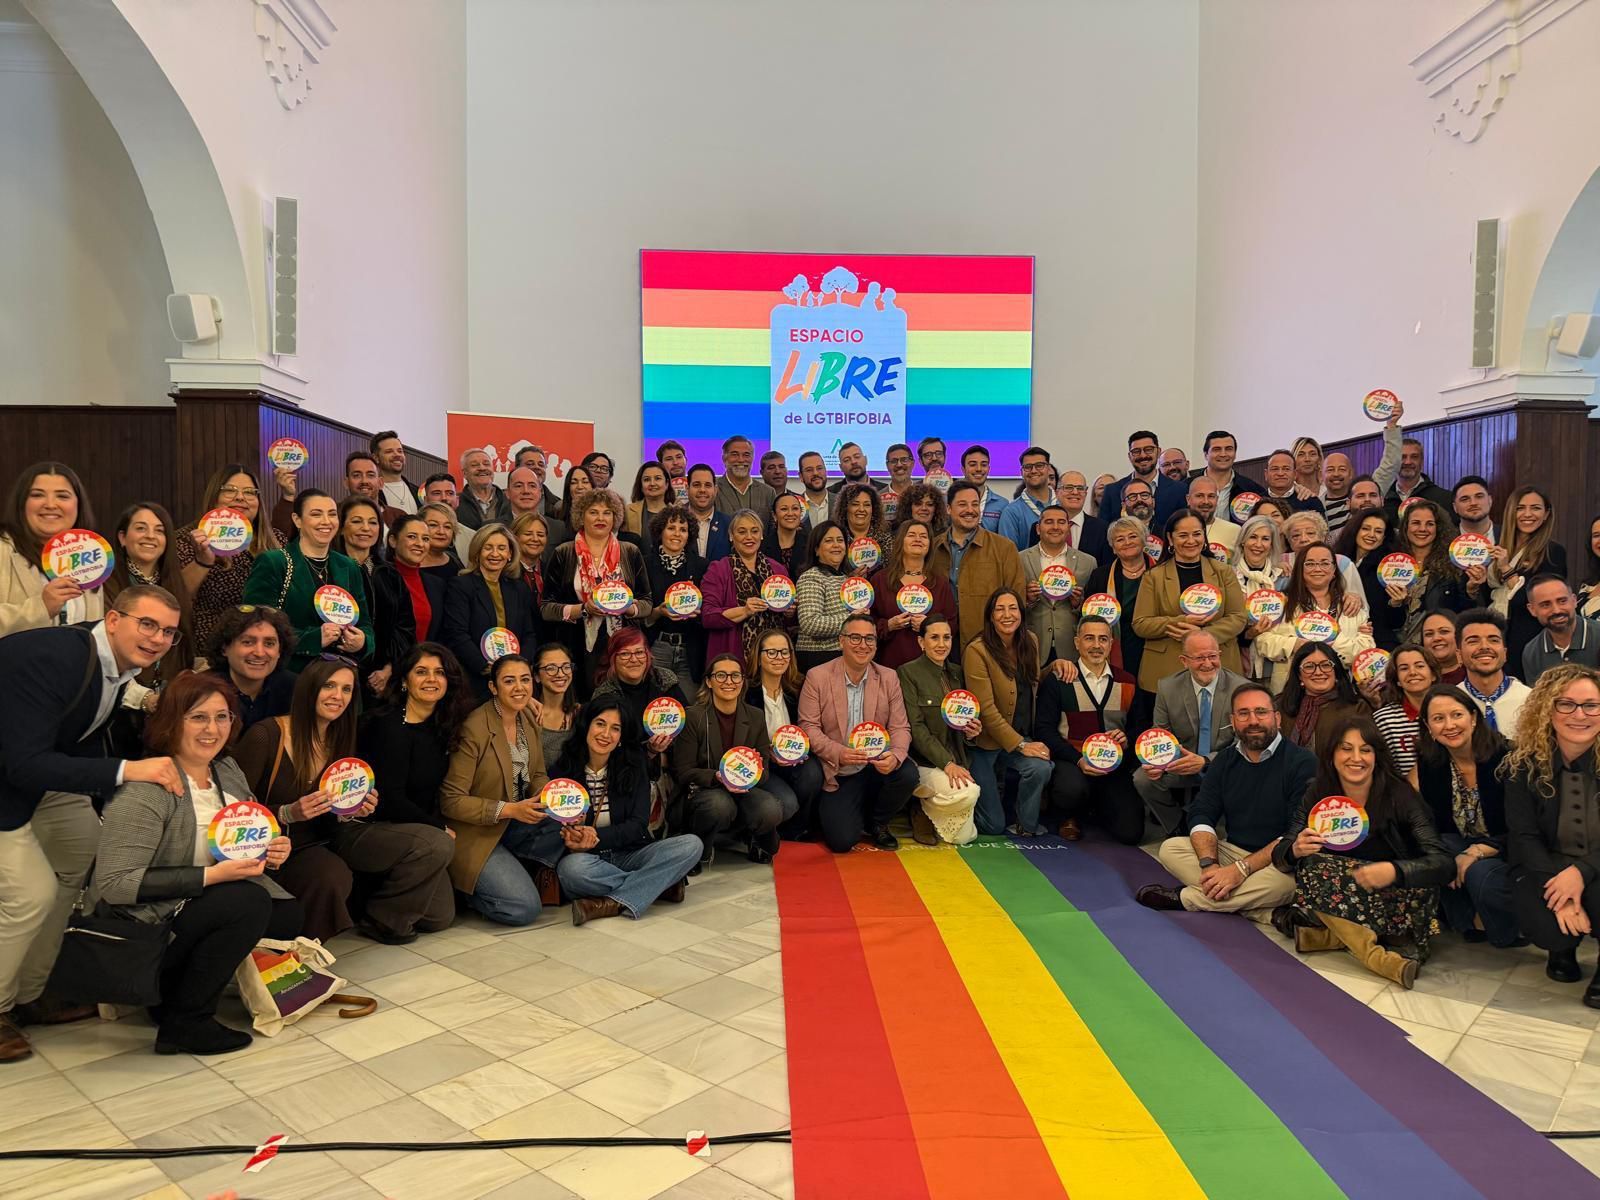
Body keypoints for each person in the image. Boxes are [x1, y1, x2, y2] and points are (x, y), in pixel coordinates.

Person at [0, 587, 185, 1062]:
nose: (158, 638)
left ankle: (32, 993)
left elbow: (74, 735)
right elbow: (22, 763)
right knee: (29, 893)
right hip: (12, 778)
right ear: (115, 617)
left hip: (38, 776)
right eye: (148, 624)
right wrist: (127, 771)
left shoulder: (115, 663)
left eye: (168, 630)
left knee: (85, 854)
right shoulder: (55, 657)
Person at [89, 672, 299, 1055]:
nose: (212, 729)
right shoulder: (146, 787)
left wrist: (271, 850)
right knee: (246, 904)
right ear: (172, 720)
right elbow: (115, 884)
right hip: (150, 923)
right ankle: (186, 1021)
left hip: (203, 904)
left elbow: (248, 831)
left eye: (222, 717)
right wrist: (213, 875)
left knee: (286, 911)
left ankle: (174, 996)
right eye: (198, 717)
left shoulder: (227, 771)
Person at [233, 657, 455, 944]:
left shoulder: (341, 739)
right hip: (264, 844)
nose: (338, 696)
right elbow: (232, 811)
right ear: (309, 688)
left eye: (347, 690)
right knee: (332, 875)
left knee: (436, 916)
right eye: (329, 686)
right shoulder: (266, 735)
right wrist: (287, 813)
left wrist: (352, 810)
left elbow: (332, 814)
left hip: (312, 844)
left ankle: (312, 946)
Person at [1274, 715, 1452, 987]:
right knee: (1314, 865)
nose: (1355, 758)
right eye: (1346, 748)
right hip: (1340, 895)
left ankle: (1332, 936)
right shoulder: (1317, 793)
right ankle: (1375, 955)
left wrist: (1396, 870)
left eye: (1365, 749)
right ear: (1332, 753)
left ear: (1377, 756)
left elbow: (1443, 863)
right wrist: (1295, 849)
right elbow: (1281, 856)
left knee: (1318, 874)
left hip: (1399, 898)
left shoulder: (1399, 794)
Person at [1138, 682, 1315, 921]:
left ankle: (1186, 899)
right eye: (1244, 713)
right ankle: (1268, 912)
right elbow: (1202, 812)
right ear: (1233, 721)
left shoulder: (1303, 762)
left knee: (1285, 885)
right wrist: (1210, 864)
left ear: (1277, 718)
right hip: (1232, 853)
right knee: (1170, 849)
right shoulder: (1225, 760)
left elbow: (1294, 834)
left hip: (1279, 860)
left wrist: (1241, 870)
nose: (1253, 720)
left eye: (1261, 712)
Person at [550, 697, 702, 923]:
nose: (606, 734)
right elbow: (553, 822)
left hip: (631, 852)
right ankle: (659, 886)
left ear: (621, 737)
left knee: (691, 845)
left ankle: (611, 902)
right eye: (600, 724)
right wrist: (574, 837)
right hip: (588, 859)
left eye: (615, 728)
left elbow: (638, 825)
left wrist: (596, 837)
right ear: (587, 726)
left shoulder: (633, 765)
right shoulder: (562, 770)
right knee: (570, 870)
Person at [1502, 664, 1600, 998]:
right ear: (1548, 709)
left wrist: (1582, 872)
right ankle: (1562, 949)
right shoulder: (1522, 765)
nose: (1579, 715)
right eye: (1566, 704)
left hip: (1598, 863)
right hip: (1546, 863)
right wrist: (1561, 894)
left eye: (1591, 705)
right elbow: (1523, 836)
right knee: (1546, 924)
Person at [440, 654, 559, 925]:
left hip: (515, 824)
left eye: (525, 680)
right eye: (509, 681)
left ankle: (518, 869)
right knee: (524, 908)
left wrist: (550, 798)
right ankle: (465, 890)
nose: (519, 687)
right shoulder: (474, 728)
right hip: (476, 831)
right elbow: (451, 800)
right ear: (493, 687)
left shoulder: (528, 718)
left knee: (568, 818)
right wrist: (509, 810)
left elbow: (538, 774)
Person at [798, 612, 919, 852]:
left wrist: (894, 756)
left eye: (869, 639)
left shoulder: (888, 677)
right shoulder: (818, 676)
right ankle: (849, 814)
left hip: (876, 766)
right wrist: (839, 752)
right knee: (841, 841)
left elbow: (900, 727)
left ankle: (878, 823)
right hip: (840, 769)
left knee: (907, 774)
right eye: (855, 638)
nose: (863, 645)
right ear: (841, 640)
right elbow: (807, 727)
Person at [1410, 685, 1521, 948]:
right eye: (1438, 719)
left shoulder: (1507, 757)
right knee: (1435, 852)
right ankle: (1467, 921)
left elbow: (1526, 828)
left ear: (1473, 717)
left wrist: (1479, 851)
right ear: (1428, 727)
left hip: (1508, 846)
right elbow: (1436, 823)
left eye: (1456, 715)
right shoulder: (1430, 761)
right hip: (1461, 841)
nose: (1449, 725)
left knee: (1479, 872)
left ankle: (1506, 931)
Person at [671, 653, 789, 868]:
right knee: (719, 805)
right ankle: (700, 850)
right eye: (721, 676)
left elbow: (764, 772)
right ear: (708, 681)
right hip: (707, 790)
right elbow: (683, 771)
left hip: (746, 790)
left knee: (770, 808)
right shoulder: (693, 716)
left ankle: (757, 841)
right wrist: (718, 776)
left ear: (743, 681)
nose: (729, 682)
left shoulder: (754, 716)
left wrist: (749, 775)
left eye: (735, 676)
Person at [1035, 616, 1141, 843]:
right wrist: (1077, 759)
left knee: (1131, 833)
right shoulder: (1060, 680)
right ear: (1076, 642)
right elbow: (1044, 730)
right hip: (1073, 762)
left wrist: (1127, 738)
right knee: (1071, 789)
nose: (1096, 645)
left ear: (1111, 644)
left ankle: (1098, 807)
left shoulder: (1127, 681)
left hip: (1114, 766)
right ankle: (1069, 814)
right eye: (1089, 638)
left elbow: (1139, 727)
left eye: (1103, 639)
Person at [242, 489, 372, 672]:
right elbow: (255, 624)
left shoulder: (349, 566)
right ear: (297, 520)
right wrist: (313, 638)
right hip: (292, 674)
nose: (326, 521)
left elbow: (365, 622)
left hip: (341, 674)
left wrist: (362, 641)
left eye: (332, 514)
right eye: (316, 514)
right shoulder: (274, 562)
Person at [1135, 630, 1246, 837]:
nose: (1207, 663)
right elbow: (1160, 734)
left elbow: (1244, 745)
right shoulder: (1167, 688)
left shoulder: (1241, 689)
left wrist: (1206, 761)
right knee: (1143, 778)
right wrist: (1157, 763)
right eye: (1199, 658)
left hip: (1225, 765)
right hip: (1181, 763)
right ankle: (1178, 825)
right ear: (1184, 661)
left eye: (1212, 656)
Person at [543, 490, 652, 696]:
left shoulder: (630, 551)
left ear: (616, 518)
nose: (601, 518)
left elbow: (647, 602)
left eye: (607, 513)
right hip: (576, 645)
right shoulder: (563, 553)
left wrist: (628, 608)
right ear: (581, 517)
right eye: (593, 512)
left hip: (623, 645)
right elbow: (546, 608)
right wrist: (583, 609)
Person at [962, 589, 1053, 836]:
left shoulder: (1030, 641)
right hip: (986, 744)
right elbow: (987, 710)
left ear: (1021, 614)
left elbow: (1032, 683)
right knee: (993, 826)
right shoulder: (977, 650)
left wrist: (1055, 666)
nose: (1007, 615)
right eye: (999, 609)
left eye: (1012, 608)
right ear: (990, 616)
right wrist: (1021, 746)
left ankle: (1026, 824)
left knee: (1041, 767)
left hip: (1021, 735)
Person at [1130, 508, 1248, 696]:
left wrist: (1202, 634)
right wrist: (1180, 622)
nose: (1191, 541)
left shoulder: (1223, 571)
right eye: (1183, 535)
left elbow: (1238, 618)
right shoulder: (1154, 576)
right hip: (1167, 668)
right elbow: (1141, 624)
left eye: (1197, 534)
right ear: (1170, 538)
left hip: (1219, 665)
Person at [360, 642, 472, 832]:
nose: (431, 679)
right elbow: (391, 800)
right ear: (405, 680)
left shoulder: (447, 721)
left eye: (440, 672)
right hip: (382, 824)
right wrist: (438, 828)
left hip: (428, 819)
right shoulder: (388, 726)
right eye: (421, 672)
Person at [896, 613, 981, 846]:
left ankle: (926, 805)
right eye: (934, 637)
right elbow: (916, 728)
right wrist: (947, 763)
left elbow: (962, 725)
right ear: (921, 642)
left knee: (965, 837)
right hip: (924, 762)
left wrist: (972, 733)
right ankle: (920, 802)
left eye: (946, 637)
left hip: (959, 760)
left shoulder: (957, 672)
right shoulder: (907, 673)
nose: (942, 644)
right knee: (971, 793)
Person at [179, 465, 280, 653]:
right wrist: (203, 561)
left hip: (266, 650)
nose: (240, 497)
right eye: (229, 491)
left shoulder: (276, 540)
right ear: (214, 497)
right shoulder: (190, 538)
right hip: (212, 651)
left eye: (250, 492)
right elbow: (176, 596)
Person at [0, 461, 104, 638]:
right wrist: (41, 607)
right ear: (22, 503)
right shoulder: (3, 550)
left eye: (62, 496)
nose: (50, 504)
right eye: (37, 495)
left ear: (78, 505)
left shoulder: (90, 556)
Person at [1253, 543, 1376, 693]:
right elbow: (1262, 641)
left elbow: (1366, 651)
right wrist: (1295, 644)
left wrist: (1331, 642)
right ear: (1300, 570)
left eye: (1325, 563)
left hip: (1340, 693)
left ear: (1334, 571)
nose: (1317, 569)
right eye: (1310, 563)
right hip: (1290, 689)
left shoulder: (1351, 606)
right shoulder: (1280, 604)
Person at [105, 502, 197, 697]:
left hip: (168, 695)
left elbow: (182, 646)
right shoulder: (106, 584)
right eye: (140, 528)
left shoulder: (175, 583)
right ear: (122, 538)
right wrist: (141, 697)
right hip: (117, 696)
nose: (150, 536)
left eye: (159, 531)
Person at [443, 523, 538, 700]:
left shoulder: (519, 589)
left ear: (510, 554)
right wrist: (488, 668)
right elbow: (457, 634)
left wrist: (517, 668)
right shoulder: (461, 586)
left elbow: (529, 634)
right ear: (477, 553)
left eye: (502, 548)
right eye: (488, 548)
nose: (495, 554)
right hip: (475, 680)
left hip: (514, 680)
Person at [745, 628, 823, 837]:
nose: (779, 658)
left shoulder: (799, 688)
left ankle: (797, 829)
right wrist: (765, 752)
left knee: (813, 772)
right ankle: (769, 827)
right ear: (758, 657)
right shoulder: (745, 691)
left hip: (794, 762)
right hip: (762, 764)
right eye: (771, 652)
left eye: (784, 652)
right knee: (786, 803)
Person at [1491, 486, 1567, 679]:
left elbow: (1536, 603)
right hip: (1493, 633)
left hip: (1527, 640)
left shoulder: (1553, 552)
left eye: (1535, 508)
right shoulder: (1498, 545)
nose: (1527, 514)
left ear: (1546, 514)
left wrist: (1507, 570)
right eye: (1520, 508)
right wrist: (1473, 585)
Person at [702, 510, 792, 667]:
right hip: (734, 659)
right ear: (731, 536)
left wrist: (790, 612)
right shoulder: (718, 569)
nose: (749, 537)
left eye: (754, 531)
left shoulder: (778, 569)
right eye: (741, 532)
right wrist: (744, 611)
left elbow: (788, 621)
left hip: (774, 658)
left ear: (762, 535)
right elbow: (708, 616)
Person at [946, 482, 1027, 650]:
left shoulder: (1004, 548)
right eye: (962, 504)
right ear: (948, 509)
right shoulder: (934, 547)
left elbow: (1017, 598)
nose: (970, 510)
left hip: (989, 643)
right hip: (943, 642)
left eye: (975, 504)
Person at [334, 496, 401, 696]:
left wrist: (389, 669)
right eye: (356, 521)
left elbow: (404, 627)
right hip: (337, 672)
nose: (366, 528)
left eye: (373, 522)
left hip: (384, 677)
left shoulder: (389, 573)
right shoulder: (328, 569)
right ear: (341, 527)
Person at [591, 626, 688, 762]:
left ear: (648, 655)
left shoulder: (665, 680)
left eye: (639, 652)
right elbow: (605, 749)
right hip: (626, 768)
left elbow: (688, 725)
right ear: (613, 658)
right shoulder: (604, 696)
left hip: (674, 763)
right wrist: (650, 751)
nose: (634, 659)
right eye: (625, 654)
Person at [1019, 505, 1096, 670]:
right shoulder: (1020, 559)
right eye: (1049, 522)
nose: (1055, 527)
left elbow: (1092, 611)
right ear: (1038, 529)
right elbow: (1012, 605)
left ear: (1068, 528)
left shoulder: (1088, 562)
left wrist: (1077, 604)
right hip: (1033, 644)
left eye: (1061, 522)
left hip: (1071, 645)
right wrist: (1028, 600)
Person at [870, 520, 954, 670]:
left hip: (930, 669)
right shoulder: (880, 580)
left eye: (923, 536)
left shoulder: (940, 583)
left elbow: (952, 624)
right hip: (889, 667)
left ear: (929, 544)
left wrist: (930, 625)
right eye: (911, 535)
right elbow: (867, 623)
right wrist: (888, 625)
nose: (918, 539)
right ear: (900, 541)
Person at [1395, 499, 1479, 643]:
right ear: (1405, 527)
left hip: (1439, 647)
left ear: (1438, 528)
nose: (1422, 529)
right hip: (1397, 648)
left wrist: (1471, 591)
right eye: (1416, 523)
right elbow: (1384, 618)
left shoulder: (1454, 565)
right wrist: (1395, 603)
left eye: (1430, 524)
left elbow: (1466, 613)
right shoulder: (1391, 563)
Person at [207, 604, 296, 731]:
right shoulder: (201, 690)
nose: (259, 653)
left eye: (269, 643)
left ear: (279, 651)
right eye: (247, 642)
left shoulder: (295, 689)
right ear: (224, 648)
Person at [644, 506, 708, 684]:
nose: (677, 534)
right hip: (657, 646)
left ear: (690, 535)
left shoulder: (702, 566)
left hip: (690, 649)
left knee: (688, 705)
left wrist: (698, 614)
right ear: (660, 532)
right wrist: (657, 612)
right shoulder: (645, 564)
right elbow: (638, 610)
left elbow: (709, 609)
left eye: (683, 529)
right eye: (671, 528)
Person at [1085, 516, 1152, 684]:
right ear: (1113, 548)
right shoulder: (1100, 575)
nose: (1127, 542)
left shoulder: (1162, 572)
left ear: (1144, 540)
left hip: (1153, 646)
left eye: (1133, 536)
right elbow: (1088, 617)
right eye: (1120, 539)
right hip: (1116, 647)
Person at [1277, 641, 1368, 753]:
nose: (1318, 672)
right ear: (1299, 675)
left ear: (1336, 671)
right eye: (1309, 667)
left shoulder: (1357, 708)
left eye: (1326, 665)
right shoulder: (1280, 706)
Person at [1336, 508, 1406, 650]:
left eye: (1378, 531)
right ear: (1355, 530)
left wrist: (1396, 603)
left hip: (1377, 645)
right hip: (1339, 639)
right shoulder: (1335, 560)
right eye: (1366, 529)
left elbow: (1395, 622)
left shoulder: (1389, 568)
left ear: (1385, 537)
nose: (1371, 535)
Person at [1457, 608, 1532, 738]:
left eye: (1493, 640)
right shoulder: (1450, 702)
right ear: (1459, 655)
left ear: (1505, 653)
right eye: (1473, 641)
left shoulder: (1531, 700)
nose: (1484, 647)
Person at [1370, 643, 1442, 775]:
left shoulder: (1452, 710)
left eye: (1419, 666)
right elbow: (1385, 772)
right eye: (1404, 668)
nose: (1413, 672)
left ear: (1433, 674)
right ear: (1397, 680)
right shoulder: (1384, 719)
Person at [1231, 514, 1286, 681]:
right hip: (1239, 661)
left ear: (1272, 544)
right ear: (1242, 541)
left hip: (1277, 663)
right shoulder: (1227, 576)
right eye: (1253, 537)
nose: (1258, 544)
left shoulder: (1284, 578)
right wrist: (1250, 633)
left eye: (1265, 539)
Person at [1099, 431, 1187, 532]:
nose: (1143, 455)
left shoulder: (1180, 490)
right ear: (1129, 456)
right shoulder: (1112, 491)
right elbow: (1103, 532)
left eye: (1148, 450)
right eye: (1136, 451)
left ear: (1158, 452)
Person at [388, 513, 447, 664]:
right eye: (412, 537)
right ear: (393, 541)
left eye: (425, 539)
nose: (420, 544)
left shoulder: (437, 585)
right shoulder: (379, 578)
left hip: (424, 668)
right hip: (387, 670)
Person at [795, 520, 851, 672]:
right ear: (816, 549)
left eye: (840, 540)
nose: (836, 545)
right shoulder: (811, 577)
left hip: (844, 653)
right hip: (818, 656)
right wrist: (851, 620)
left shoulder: (848, 579)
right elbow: (810, 623)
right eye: (828, 541)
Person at [1523, 575, 1600, 681]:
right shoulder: (1532, 652)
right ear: (1532, 609)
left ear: (1574, 601)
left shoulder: (1597, 635)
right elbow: (1537, 697)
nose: (1556, 610)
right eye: (1546, 605)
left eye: (1562, 601)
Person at [998, 446, 1057, 548]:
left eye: (1039, 465)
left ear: (1048, 469)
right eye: (1028, 467)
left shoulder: (1063, 504)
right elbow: (1008, 556)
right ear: (1022, 472)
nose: (1033, 471)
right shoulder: (1011, 512)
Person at [532, 641, 581, 764]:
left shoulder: (579, 713)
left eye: (566, 667)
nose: (560, 674)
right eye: (551, 668)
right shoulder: (527, 713)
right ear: (537, 676)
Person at [1051, 469, 1111, 566]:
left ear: (1086, 493)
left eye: (1080, 488)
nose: (1075, 492)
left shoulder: (1102, 528)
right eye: (1069, 487)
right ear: (1057, 492)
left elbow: (1105, 568)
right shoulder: (1042, 527)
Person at [1198, 430, 1266, 514]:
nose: (1223, 454)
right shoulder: (1186, 487)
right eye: (1217, 449)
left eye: (1228, 449)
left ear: (1235, 454)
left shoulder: (1252, 490)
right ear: (1206, 455)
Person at [714, 435, 778, 524]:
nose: (741, 460)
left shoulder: (768, 493)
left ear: (752, 458)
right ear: (724, 459)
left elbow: (773, 529)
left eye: (746, 455)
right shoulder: (713, 490)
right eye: (735, 454)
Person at [1385, 438, 1453, 511]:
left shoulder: (1444, 498)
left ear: (1422, 461)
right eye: (1402, 457)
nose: (1408, 462)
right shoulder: (1383, 498)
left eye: (1414, 457)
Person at [837, 482, 889, 571]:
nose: (861, 509)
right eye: (855, 504)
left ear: (873, 509)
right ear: (845, 508)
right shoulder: (837, 538)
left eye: (867, 505)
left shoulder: (886, 538)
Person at [457, 449, 512, 532]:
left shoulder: (509, 501)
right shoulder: (456, 504)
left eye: (486, 464)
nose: (482, 468)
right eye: (474, 465)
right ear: (465, 473)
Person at [685, 464, 731, 562]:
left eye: (708, 485)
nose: (702, 490)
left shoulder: (729, 524)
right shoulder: (673, 522)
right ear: (687, 488)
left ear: (715, 490)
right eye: (696, 485)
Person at [956, 445, 1007, 531]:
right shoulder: (950, 500)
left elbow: (1004, 541)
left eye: (983, 465)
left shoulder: (1002, 504)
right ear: (963, 469)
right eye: (973, 464)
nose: (979, 469)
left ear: (988, 469)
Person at [1185, 476, 1239, 555]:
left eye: (1211, 496)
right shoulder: (1176, 529)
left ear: (1217, 500)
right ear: (1188, 499)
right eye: (1200, 496)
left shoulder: (1235, 530)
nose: (1206, 501)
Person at [762, 491, 810, 580]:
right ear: (774, 515)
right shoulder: (762, 546)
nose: (790, 513)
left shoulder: (811, 544)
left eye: (795, 508)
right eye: (784, 509)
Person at [370, 430, 418, 516]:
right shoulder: (372, 492)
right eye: (389, 451)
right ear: (376, 458)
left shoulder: (417, 492)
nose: (397, 455)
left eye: (400, 451)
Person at [626, 460, 672, 539]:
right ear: (641, 486)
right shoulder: (627, 512)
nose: (652, 483)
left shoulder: (677, 513)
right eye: (647, 479)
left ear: (667, 484)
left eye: (657, 478)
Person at [1421, 609, 1468, 685]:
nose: (1436, 638)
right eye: (1429, 634)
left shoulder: (1476, 671)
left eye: (1444, 631)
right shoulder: (1417, 678)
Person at [419, 501, 466, 576]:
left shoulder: (454, 560)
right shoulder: (408, 563)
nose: (441, 532)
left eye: (447, 526)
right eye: (433, 525)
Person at [1452, 476, 1497, 544]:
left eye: (1479, 496)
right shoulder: (1444, 539)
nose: (1473, 503)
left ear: (1490, 500)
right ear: (1455, 507)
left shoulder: (1510, 534)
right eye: (1465, 499)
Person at [798, 451, 833, 530]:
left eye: (819, 468)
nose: (815, 473)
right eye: (809, 470)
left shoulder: (841, 503)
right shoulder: (795, 505)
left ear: (825, 471)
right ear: (801, 476)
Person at [881, 443, 915, 520]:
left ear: (912, 464)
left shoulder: (924, 495)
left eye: (904, 460)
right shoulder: (877, 498)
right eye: (893, 461)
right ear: (887, 466)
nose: (899, 465)